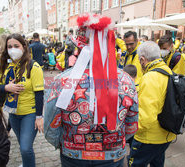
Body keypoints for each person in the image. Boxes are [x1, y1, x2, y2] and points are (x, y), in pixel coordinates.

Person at [44, 14, 139, 167]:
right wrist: (113, 140)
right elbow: (132, 123)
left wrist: (64, 143)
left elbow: (50, 124)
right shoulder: (126, 80)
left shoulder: (62, 81)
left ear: (79, 46)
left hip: (73, 154)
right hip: (112, 154)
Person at [0, 33, 44, 167]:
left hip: (30, 113)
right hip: (13, 113)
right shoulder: (6, 67)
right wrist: (7, 87)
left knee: (25, 148)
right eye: (9, 46)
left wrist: (39, 116)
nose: (12, 49)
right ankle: (26, 163)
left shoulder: (33, 67)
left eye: (16, 46)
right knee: (23, 145)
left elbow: (39, 93)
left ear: (24, 47)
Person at [128, 41, 176, 167]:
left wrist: (128, 131)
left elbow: (146, 117)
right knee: (157, 163)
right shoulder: (167, 70)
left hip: (148, 138)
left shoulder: (150, 77)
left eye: (139, 61)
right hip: (166, 135)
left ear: (143, 59)